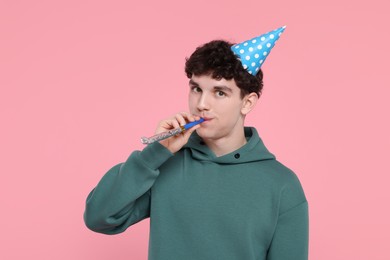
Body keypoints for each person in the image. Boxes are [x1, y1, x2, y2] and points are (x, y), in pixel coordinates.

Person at [83, 26, 309, 260]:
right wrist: (154, 154)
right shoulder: (164, 165)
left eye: (219, 93)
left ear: (248, 103)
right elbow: (99, 217)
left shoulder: (282, 185)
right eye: (196, 89)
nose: (202, 104)